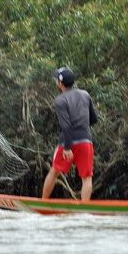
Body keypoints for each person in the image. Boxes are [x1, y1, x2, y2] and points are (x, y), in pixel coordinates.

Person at [42, 67, 98, 201]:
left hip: (67, 142)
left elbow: (66, 126)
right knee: (87, 177)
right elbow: (94, 119)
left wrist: (67, 148)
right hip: (85, 140)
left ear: (60, 83)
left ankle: (43, 202)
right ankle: (85, 209)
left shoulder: (60, 100)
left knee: (54, 171)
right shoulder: (85, 94)